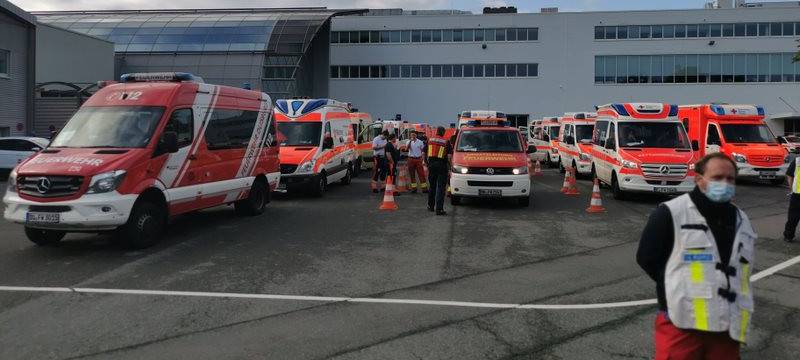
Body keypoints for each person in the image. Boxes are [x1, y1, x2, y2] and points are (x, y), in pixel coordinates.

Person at [637, 152, 756, 360]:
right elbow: (647, 258)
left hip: (727, 326)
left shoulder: (741, 218)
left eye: (730, 179)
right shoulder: (670, 213)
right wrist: (677, 284)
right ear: (699, 179)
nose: (725, 183)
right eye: (717, 178)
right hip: (681, 322)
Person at [427, 127, 452, 215]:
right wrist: (450, 167)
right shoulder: (446, 141)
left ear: (437, 132)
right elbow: (449, 157)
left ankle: (430, 206)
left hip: (431, 164)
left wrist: (427, 164)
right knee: (441, 188)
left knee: (432, 186)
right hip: (441, 165)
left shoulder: (430, 140)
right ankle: (439, 209)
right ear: (443, 132)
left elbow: (423, 153)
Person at [783, 155, 800, 242]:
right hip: (797, 194)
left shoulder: (797, 161)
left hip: (797, 194)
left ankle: (788, 236)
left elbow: (789, 176)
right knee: (793, 217)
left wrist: (792, 188)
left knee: (793, 217)